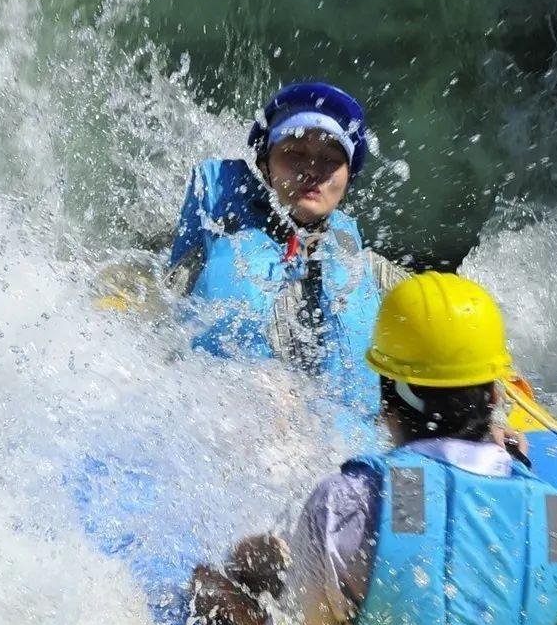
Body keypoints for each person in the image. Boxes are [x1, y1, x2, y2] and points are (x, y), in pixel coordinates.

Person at [189, 273, 557, 625]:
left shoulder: (350, 501)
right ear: (494, 397)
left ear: (388, 395)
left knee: (243, 564)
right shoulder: (551, 516)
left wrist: (222, 599)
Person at [169, 81, 406, 411]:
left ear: (348, 177)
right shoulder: (218, 247)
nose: (312, 171)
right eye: (295, 153)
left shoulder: (372, 272)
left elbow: (447, 333)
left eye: (330, 159)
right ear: (265, 165)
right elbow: (161, 319)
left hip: (341, 450)